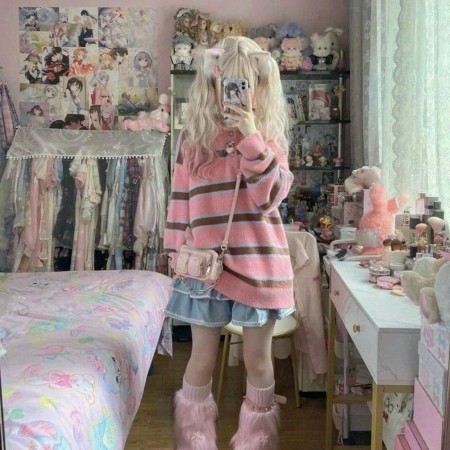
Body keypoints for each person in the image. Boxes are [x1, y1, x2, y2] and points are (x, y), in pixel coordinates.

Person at [164, 36, 295, 449]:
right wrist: (174, 254)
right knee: (201, 358)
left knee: (258, 361)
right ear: (213, 84)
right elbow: (179, 201)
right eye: (229, 84)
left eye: (245, 84)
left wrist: (251, 138)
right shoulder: (194, 139)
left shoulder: (268, 140)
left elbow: (270, 198)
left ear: (260, 86)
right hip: (204, 267)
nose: (236, 93)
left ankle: (257, 442)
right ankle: (194, 442)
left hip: (259, 266)